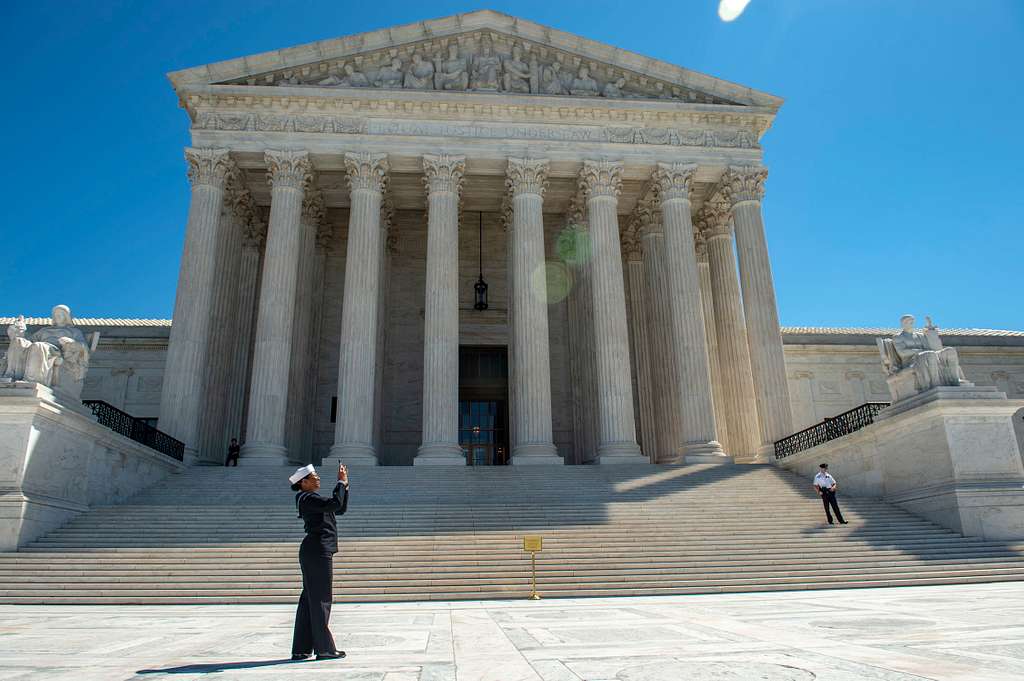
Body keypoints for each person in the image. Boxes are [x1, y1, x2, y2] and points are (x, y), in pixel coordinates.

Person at [289, 462, 349, 661]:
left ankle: (301, 649)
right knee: (321, 599)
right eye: (314, 476)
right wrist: (340, 482)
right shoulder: (307, 498)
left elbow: (339, 508)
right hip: (317, 550)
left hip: (315, 550)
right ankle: (324, 649)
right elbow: (334, 504)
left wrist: (344, 486)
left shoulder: (310, 498)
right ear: (304, 482)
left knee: (309, 600)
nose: (318, 478)